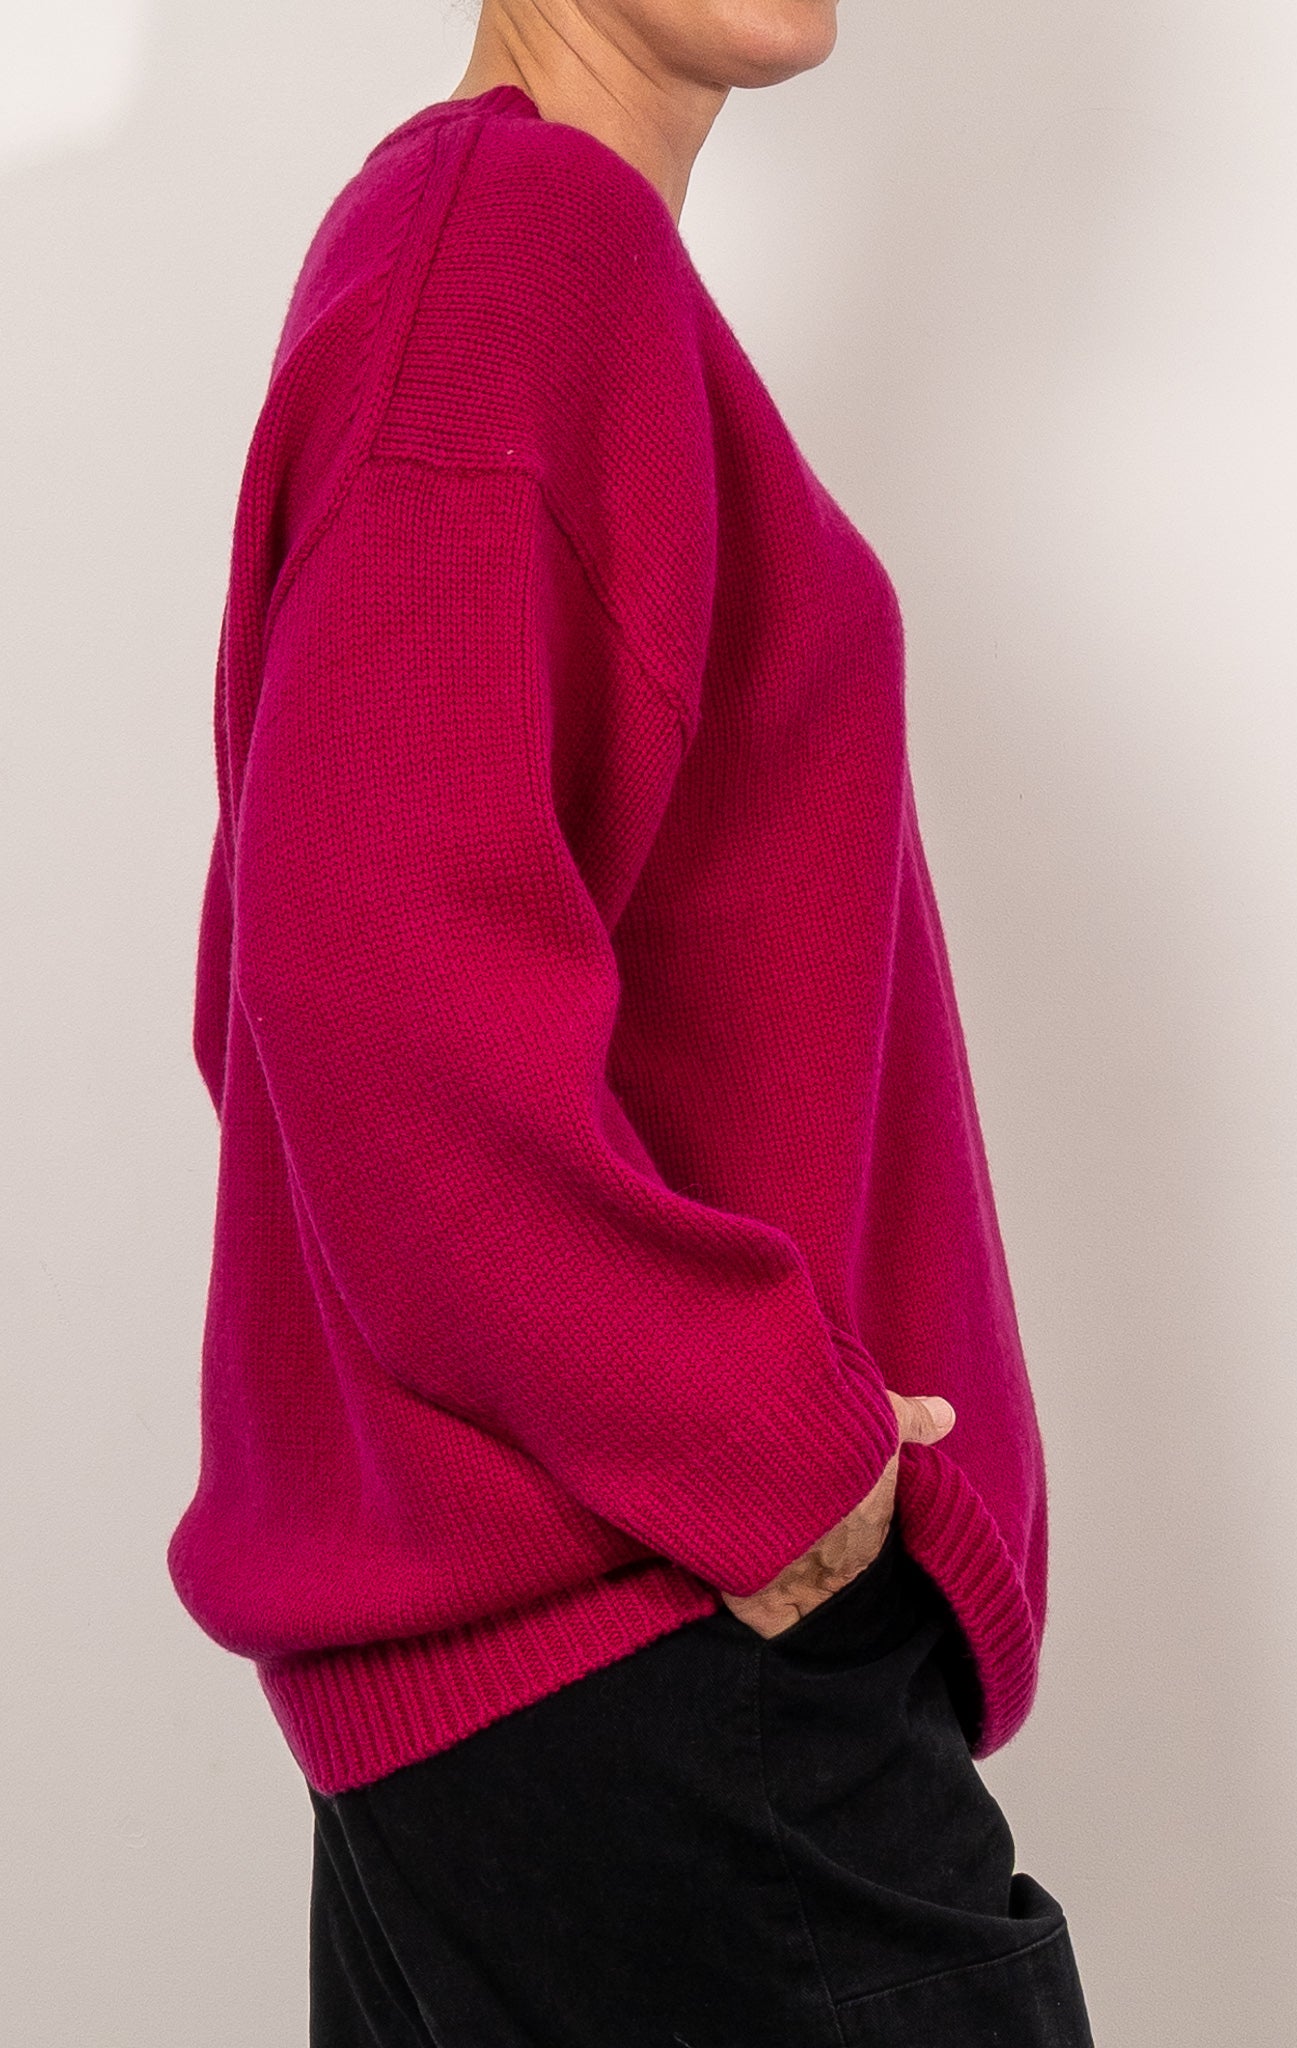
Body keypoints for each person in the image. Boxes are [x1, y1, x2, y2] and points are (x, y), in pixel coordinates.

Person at [166, 1, 1096, 2040]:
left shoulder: (513, 259)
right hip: (659, 1661)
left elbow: (307, 972)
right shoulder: (511, 251)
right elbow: (356, 979)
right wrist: (763, 1446)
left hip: (573, 1690)